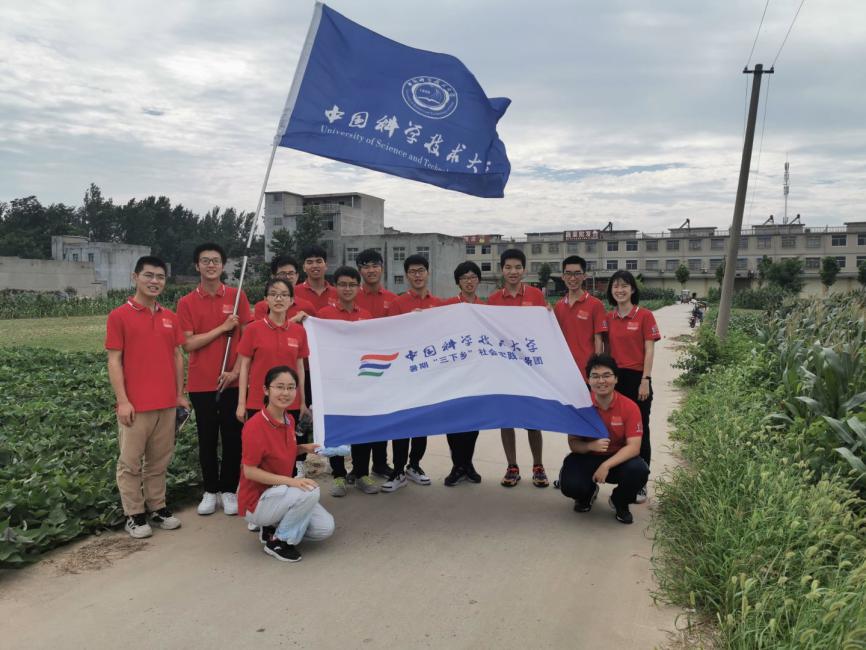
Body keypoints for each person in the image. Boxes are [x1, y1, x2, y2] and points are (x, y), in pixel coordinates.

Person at [105, 255, 189, 539]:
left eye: (160, 277)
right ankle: (134, 514)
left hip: (166, 404)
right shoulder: (119, 316)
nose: (155, 281)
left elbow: (177, 356)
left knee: (159, 462)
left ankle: (158, 507)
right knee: (129, 463)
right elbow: (114, 360)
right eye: (149, 275)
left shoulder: (170, 318)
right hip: (136, 406)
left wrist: (179, 395)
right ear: (135, 277)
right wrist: (123, 400)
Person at [177, 243, 251, 517]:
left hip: (232, 381)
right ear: (197, 266)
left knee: (233, 438)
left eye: (216, 261)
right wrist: (222, 328)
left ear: (223, 265)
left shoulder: (237, 296)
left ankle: (229, 489)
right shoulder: (186, 302)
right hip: (201, 383)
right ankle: (210, 490)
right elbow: (188, 344)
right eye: (205, 261)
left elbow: (247, 340)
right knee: (207, 438)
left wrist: (236, 372)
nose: (211, 265)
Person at [239, 365, 334, 562]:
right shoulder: (254, 426)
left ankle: (272, 527)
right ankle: (279, 541)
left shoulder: (289, 419)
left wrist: (304, 448)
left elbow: (282, 451)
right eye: (280, 387)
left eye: (291, 387)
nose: (286, 393)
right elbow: (250, 472)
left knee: (325, 528)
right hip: (257, 501)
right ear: (266, 390)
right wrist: (292, 482)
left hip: (280, 493)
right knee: (310, 490)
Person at [558, 354, 649, 524]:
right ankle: (587, 494)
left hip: (617, 460)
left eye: (606, 375)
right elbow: (573, 444)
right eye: (595, 376)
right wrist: (590, 446)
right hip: (588, 457)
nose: (601, 381)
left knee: (639, 470)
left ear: (616, 379)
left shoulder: (630, 407)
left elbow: (634, 447)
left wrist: (606, 465)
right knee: (571, 486)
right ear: (588, 380)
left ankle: (619, 501)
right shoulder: (580, 407)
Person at [486, 248, 550, 488]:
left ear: (524, 269)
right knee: (507, 419)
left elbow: (544, 330)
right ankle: (512, 466)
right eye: (508, 267)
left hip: (530, 370)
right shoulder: (493, 300)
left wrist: (548, 316)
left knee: (533, 421)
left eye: (517, 267)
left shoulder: (536, 295)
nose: (513, 271)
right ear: (502, 270)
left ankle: (538, 466)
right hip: (504, 369)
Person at [382, 253, 443, 492]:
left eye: (421, 271)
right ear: (407, 275)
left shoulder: (438, 304)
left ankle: (414, 465)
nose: (417, 275)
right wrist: (409, 321)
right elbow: (390, 336)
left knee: (421, 424)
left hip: (428, 374)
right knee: (402, 424)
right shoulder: (398, 304)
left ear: (428, 273)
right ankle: (398, 470)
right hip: (404, 374)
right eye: (412, 272)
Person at [316, 266, 377, 497]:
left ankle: (361, 473)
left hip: (360, 381)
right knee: (338, 429)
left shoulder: (366, 316)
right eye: (343, 284)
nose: (347, 289)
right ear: (335, 287)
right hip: (334, 381)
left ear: (358, 287)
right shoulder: (324, 315)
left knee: (363, 428)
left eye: (352, 284)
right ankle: (339, 476)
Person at [605, 269, 661, 504]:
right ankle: (612, 474)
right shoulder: (609, 318)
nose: (620, 290)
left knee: (640, 430)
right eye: (615, 286)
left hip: (637, 379)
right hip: (614, 380)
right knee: (612, 429)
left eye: (624, 286)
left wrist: (645, 380)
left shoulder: (644, 315)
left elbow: (649, 349)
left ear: (633, 289)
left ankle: (640, 483)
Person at [236, 278, 309, 429]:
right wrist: (241, 403)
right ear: (266, 299)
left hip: (290, 401)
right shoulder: (253, 329)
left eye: (284, 295)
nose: (278, 299)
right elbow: (244, 367)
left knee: (289, 442)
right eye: (273, 294)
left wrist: (302, 402)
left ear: (291, 300)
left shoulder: (299, 331)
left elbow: (300, 368)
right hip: (258, 402)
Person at [352, 248, 397, 479]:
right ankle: (358, 468)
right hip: (357, 367)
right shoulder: (351, 296)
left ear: (382, 268)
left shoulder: (392, 299)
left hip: (385, 367)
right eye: (366, 266)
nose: (371, 270)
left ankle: (380, 463)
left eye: (375, 265)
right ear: (359, 270)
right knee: (359, 418)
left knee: (382, 417)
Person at [442, 261, 484, 486]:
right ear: (458, 282)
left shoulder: (486, 308)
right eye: (464, 277)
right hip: (453, 375)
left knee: (473, 424)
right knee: (454, 423)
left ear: (478, 280)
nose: (469, 281)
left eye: (473, 277)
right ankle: (457, 465)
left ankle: (467, 464)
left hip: (477, 375)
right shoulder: (447, 306)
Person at [553, 255, 607, 382]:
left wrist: (597, 369)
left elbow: (598, 340)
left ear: (584, 276)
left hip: (587, 370)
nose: (573, 278)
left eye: (577, 273)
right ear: (563, 277)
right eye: (568, 274)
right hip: (564, 370)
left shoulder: (596, 305)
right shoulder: (558, 306)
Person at [253, 255, 317, 322]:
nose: (287, 277)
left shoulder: (307, 307)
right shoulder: (262, 306)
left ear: (297, 276)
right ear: (273, 277)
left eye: (291, 273)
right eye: (282, 273)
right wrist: (294, 320)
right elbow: (263, 328)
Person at [295, 245, 338, 312]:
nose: (315, 266)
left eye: (319, 261)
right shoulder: (294, 292)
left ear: (326, 266)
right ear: (304, 268)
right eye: (309, 262)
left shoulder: (337, 293)